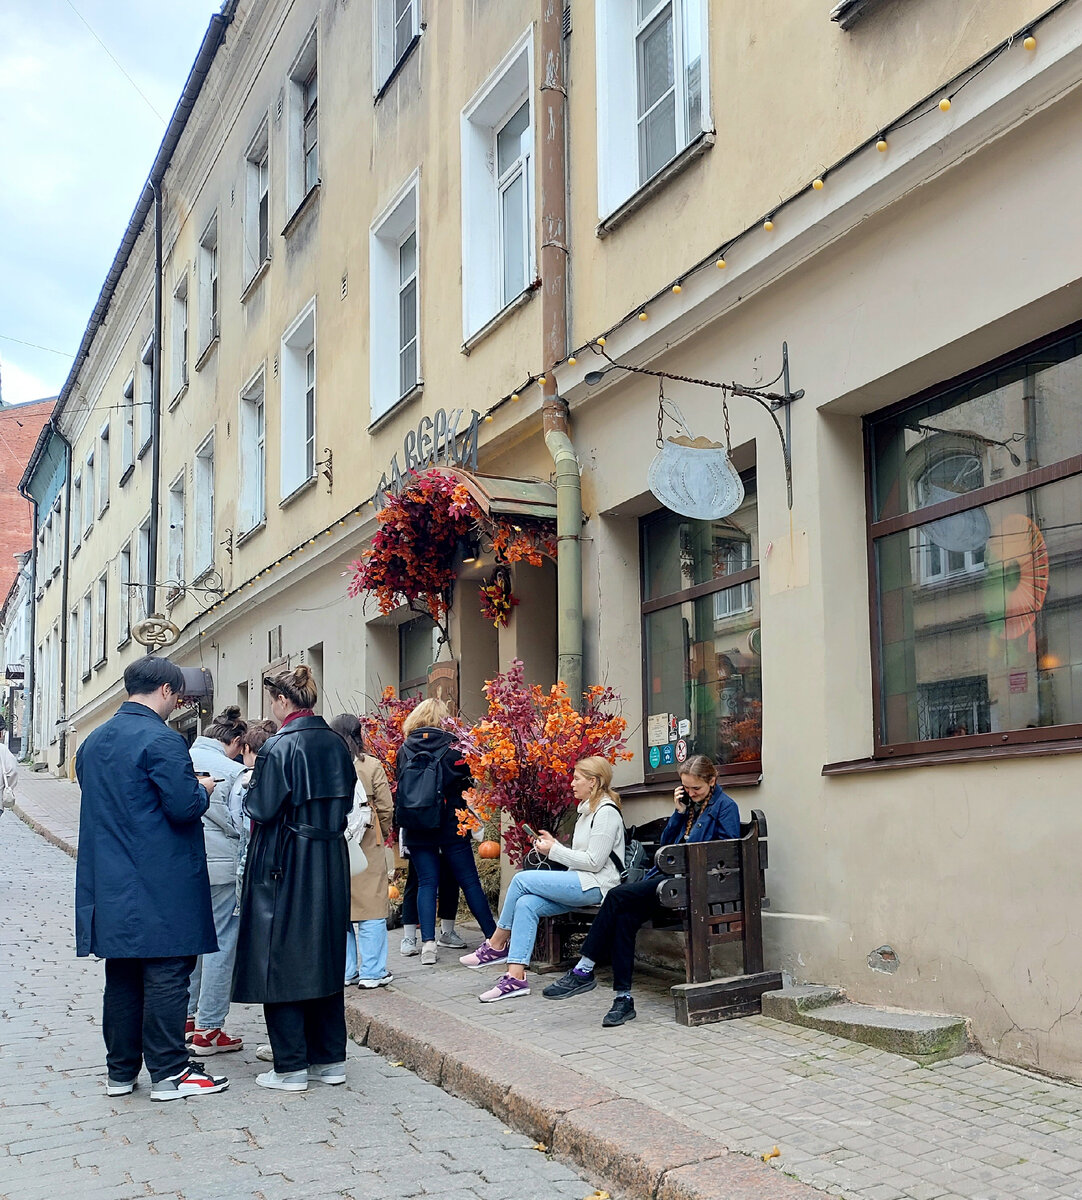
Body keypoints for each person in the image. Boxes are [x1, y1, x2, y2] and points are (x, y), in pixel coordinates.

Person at [75, 656, 228, 1101]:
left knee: (122, 976)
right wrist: (204, 789)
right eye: (176, 695)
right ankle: (170, 1072)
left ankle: (120, 1073)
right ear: (166, 691)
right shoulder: (162, 740)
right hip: (160, 880)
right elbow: (181, 807)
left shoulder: (93, 741)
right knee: (166, 972)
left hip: (109, 879)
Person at [542, 754, 740, 1027]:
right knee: (624, 918)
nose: (692, 793)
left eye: (697, 788)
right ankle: (623, 1000)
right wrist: (679, 813)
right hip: (668, 882)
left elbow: (725, 853)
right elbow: (666, 844)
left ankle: (584, 969)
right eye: (687, 788)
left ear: (713, 781)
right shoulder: (689, 807)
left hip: (693, 885)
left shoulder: (725, 807)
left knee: (615, 896)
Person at [232, 665, 355, 1092]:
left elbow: (263, 809)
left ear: (283, 701)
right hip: (329, 859)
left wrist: (247, 790)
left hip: (285, 860)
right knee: (324, 955)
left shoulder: (279, 747)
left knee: (278, 958)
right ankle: (329, 1059)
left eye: (271, 699)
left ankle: (290, 1066)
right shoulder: (337, 744)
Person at [462, 757, 625, 1004]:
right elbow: (583, 857)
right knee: (526, 903)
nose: (572, 783)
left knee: (521, 880)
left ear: (593, 782)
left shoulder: (605, 813)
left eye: (577, 778)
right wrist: (555, 845)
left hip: (597, 887)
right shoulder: (587, 812)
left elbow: (594, 862)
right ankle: (515, 978)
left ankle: (496, 944)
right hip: (580, 883)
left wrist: (554, 851)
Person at [396, 698, 496, 964]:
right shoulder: (455, 749)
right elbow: (468, 786)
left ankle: (428, 945)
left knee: (426, 882)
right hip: (452, 825)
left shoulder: (404, 749)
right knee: (469, 881)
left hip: (417, 824)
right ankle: (493, 937)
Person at [185, 706, 248, 1056]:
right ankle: (209, 1027)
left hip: (186, 865)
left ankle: (187, 1018)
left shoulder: (180, 759)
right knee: (221, 942)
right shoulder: (234, 772)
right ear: (235, 741)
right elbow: (243, 824)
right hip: (223, 868)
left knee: (193, 943)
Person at [329, 714, 395, 988]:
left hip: (335, 839)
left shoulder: (328, 762)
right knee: (373, 904)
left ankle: (345, 971)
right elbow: (387, 806)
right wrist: (384, 831)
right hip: (367, 839)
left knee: (341, 907)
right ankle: (372, 971)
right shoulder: (371, 765)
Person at [399, 857, 464, 955]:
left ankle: (447, 932)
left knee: (450, 877)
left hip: (446, 843)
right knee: (415, 878)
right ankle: (409, 938)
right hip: (420, 843)